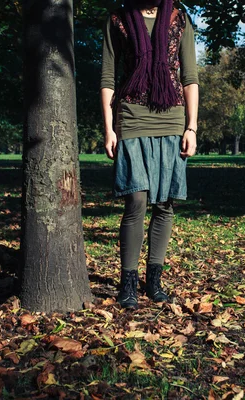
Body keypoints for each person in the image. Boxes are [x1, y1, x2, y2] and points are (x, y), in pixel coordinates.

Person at [100, 0, 199, 309]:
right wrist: (108, 129)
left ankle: (153, 278)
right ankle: (127, 280)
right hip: (131, 116)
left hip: (172, 118)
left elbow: (190, 76)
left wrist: (192, 127)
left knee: (166, 202)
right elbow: (107, 78)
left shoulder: (178, 18)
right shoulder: (118, 19)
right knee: (136, 198)